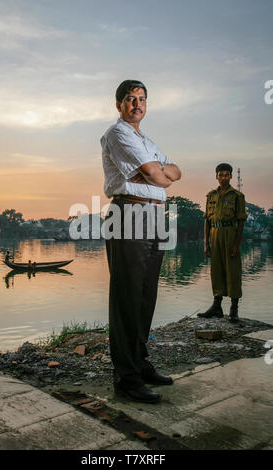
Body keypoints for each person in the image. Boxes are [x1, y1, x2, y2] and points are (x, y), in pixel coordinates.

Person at [101, 80, 181, 403]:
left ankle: (140, 361)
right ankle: (127, 378)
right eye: (130, 99)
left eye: (142, 99)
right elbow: (157, 173)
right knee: (127, 295)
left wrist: (156, 172)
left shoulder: (145, 140)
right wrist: (156, 173)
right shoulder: (117, 134)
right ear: (119, 105)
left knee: (147, 293)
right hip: (128, 214)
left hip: (155, 216)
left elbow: (174, 173)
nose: (137, 104)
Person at [198, 163, 247, 322]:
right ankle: (216, 306)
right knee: (216, 270)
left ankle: (234, 308)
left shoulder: (237, 196)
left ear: (231, 176)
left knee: (233, 271)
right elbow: (207, 221)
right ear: (216, 176)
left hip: (230, 233)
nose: (224, 177)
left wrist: (236, 245)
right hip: (214, 234)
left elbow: (240, 222)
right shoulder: (211, 196)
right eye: (221, 175)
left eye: (227, 174)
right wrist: (207, 243)